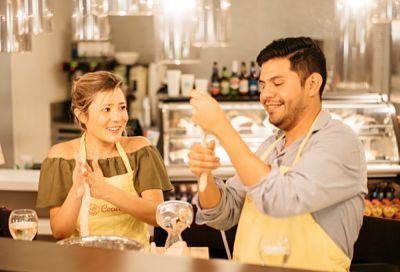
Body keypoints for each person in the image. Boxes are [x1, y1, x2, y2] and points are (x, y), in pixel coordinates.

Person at [188, 37, 367, 271]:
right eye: (262, 85)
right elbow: (224, 213)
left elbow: (281, 199)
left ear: (313, 84)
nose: (265, 95)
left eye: (277, 83)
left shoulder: (340, 142)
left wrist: (223, 128)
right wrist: (205, 176)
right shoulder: (270, 147)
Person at [37, 71, 173, 247]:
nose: (118, 118)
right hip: (82, 262)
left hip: (136, 261)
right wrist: (76, 193)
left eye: (122, 107)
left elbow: (157, 216)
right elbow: (60, 232)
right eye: (106, 109)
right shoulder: (61, 157)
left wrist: (106, 191)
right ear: (81, 115)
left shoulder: (141, 150)